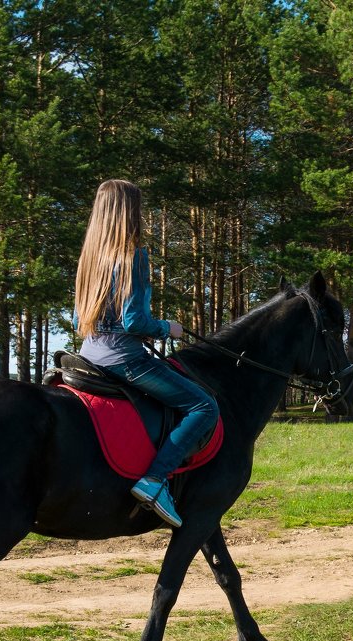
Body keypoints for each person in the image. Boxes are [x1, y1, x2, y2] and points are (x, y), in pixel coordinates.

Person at [74, 179, 217, 527]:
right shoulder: (133, 256)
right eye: (139, 209)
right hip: (124, 358)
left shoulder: (89, 260)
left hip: (89, 355)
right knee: (204, 406)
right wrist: (168, 328)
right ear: (128, 213)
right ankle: (155, 480)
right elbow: (135, 321)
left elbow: (80, 317)